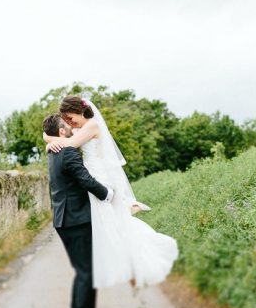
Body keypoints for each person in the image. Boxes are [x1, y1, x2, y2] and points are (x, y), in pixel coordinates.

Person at [45, 96, 178, 289]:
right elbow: (63, 138)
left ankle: (133, 263)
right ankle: (124, 256)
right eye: (65, 119)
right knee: (106, 223)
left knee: (110, 223)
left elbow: (69, 144)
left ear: (81, 112)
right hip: (91, 173)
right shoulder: (80, 128)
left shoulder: (91, 126)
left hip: (98, 176)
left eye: (70, 117)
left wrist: (49, 141)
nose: (69, 122)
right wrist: (48, 138)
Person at [43, 113, 114, 308]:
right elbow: (85, 180)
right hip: (77, 219)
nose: (73, 127)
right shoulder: (67, 151)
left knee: (81, 271)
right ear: (62, 132)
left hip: (64, 219)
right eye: (67, 125)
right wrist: (108, 194)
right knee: (88, 272)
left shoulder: (54, 151)